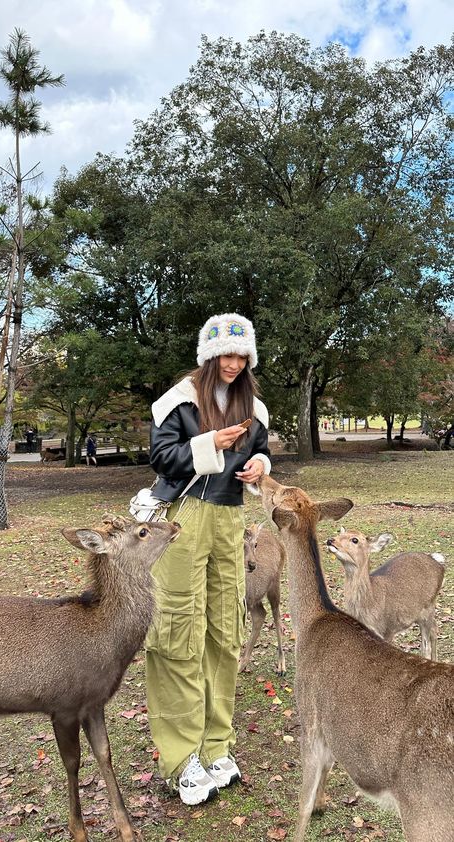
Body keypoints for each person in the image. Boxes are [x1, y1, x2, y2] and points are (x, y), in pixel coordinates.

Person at [145, 312, 271, 806]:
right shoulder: (180, 400)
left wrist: (261, 464)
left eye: (242, 355)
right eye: (225, 355)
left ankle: (216, 745)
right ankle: (182, 758)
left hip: (229, 521)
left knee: (225, 629)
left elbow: (259, 453)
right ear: (209, 356)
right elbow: (161, 456)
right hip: (184, 519)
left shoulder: (253, 408)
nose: (234, 364)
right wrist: (205, 445)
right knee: (179, 629)